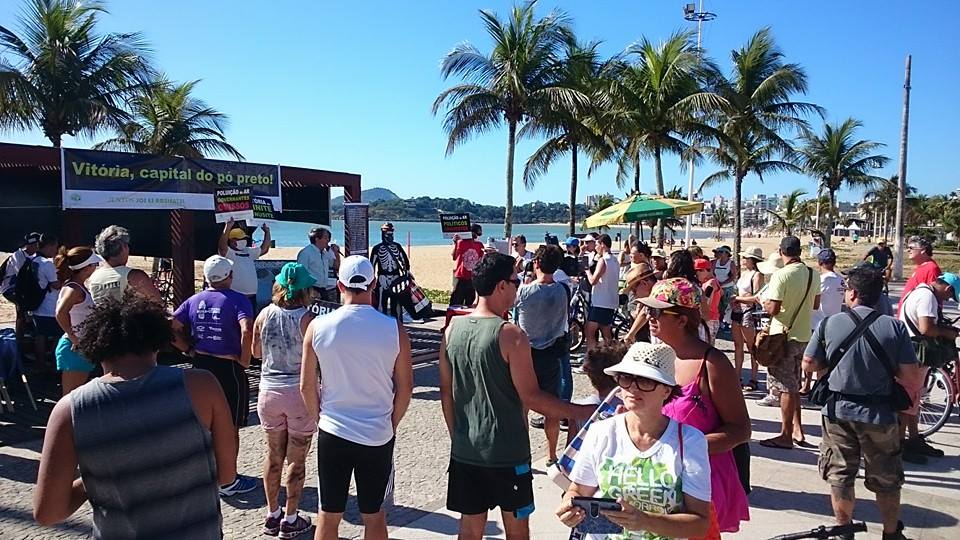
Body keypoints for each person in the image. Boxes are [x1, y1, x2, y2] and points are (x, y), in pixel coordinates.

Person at [33, 293, 235, 538]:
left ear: (96, 345)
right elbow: (226, 475)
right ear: (157, 340)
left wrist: (95, 479)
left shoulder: (71, 409)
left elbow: (48, 512)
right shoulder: (201, 386)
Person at [438, 252, 586, 540]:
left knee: (469, 530)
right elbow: (531, 397)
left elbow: (447, 393)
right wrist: (581, 411)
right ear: (500, 286)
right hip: (507, 452)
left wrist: (457, 436)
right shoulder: (511, 335)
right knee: (517, 532)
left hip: (466, 450)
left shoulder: (451, 329)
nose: (518, 287)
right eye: (515, 281)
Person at [803, 266, 922, 540]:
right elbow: (911, 376)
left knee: (841, 475)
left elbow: (809, 365)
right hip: (880, 414)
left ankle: (845, 530)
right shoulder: (894, 327)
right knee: (887, 479)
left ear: (854, 293)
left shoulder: (829, 324)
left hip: (837, 413)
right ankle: (891, 533)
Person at [300, 255, 413, 540]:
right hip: (377, 432)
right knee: (374, 515)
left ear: (339, 285)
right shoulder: (393, 329)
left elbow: (306, 385)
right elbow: (405, 387)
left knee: (329, 513)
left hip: (333, 430)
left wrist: (320, 420)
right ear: (374, 284)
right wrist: (391, 422)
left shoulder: (318, 327)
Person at [556, 341, 712, 539]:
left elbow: (699, 523)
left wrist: (646, 521)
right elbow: (578, 489)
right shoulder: (601, 432)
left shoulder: (690, 441)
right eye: (626, 378)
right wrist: (570, 506)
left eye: (646, 381)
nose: (633, 388)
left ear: (667, 390)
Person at [644, 278, 752, 533]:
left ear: (682, 320)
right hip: (658, 478)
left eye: (657, 311)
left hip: (699, 482)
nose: (649, 316)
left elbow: (740, 430)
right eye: (648, 310)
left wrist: (687, 446)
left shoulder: (713, 364)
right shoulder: (654, 357)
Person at [171, 255, 258, 497]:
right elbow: (247, 329)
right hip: (228, 368)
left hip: (200, 364)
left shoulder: (194, 300)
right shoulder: (238, 299)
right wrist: (245, 358)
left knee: (203, 421)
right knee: (231, 424)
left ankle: (207, 473)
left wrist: (186, 349)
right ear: (229, 276)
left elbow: (172, 326)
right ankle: (229, 479)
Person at [252, 263, 317, 537]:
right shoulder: (308, 319)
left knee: (273, 455)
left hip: (269, 391)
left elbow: (256, 352)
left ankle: (272, 512)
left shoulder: (264, 314)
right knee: (297, 459)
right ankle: (291, 518)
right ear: (305, 290)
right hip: (298, 393)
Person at [760, 236, 821, 449]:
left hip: (782, 337)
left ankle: (785, 435)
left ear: (781, 251)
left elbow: (773, 309)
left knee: (785, 387)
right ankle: (798, 430)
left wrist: (765, 303)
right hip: (804, 335)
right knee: (794, 385)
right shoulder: (814, 274)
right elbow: (815, 304)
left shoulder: (781, 275)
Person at [514, 245, 570, 467]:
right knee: (552, 409)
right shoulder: (563, 291)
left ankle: (523, 453)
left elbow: (514, 309)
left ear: (536, 263)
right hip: (552, 353)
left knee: (522, 406)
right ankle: (551, 454)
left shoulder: (524, 292)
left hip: (526, 354)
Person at [897, 273, 959, 464]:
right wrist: (947, 333)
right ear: (947, 289)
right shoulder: (927, 297)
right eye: (949, 296)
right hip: (914, 353)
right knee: (906, 401)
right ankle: (899, 446)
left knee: (914, 399)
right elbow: (926, 329)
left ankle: (914, 439)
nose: (947, 300)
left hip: (912, 351)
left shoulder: (922, 291)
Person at [52, 247, 101, 395]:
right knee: (71, 396)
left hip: (81, 347)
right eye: (94, 265)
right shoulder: (74, 289)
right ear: (86, 268)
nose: (96, 268)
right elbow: (60, 312)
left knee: (75, 395)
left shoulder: (78, 286)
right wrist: (74, 337)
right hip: (75, 348)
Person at [803, 249, 846, 394]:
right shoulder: (840, 280)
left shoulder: (822, 280)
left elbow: (813, 299)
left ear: (819, 262)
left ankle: (813, 388)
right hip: (834, 323)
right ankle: (814, 387)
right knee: (825, 360)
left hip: (817, 323)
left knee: (812, 358)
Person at [88, 225, 161, 304]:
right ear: (123, 247)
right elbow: (158, 304)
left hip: (100, 316)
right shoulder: (134, 276)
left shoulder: (93, 277)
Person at [218, 218, 272, 308]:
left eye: (244, 238)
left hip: (251, 297)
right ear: (232, 241)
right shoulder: (229, 253)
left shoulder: (249, 251)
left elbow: (264, 249)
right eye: (240, 239)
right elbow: (222, 247)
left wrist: (267, 232)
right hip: (235, 297)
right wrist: (228, 227)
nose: (243, 240)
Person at [1, 232, 40, 354]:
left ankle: (25, 338)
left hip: (21, 289)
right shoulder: (18, 256)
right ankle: (19, 341)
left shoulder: (31, 256)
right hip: (11, 289)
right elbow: (23, 276)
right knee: (22, 310)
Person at [732, 247, 764, 390]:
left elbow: (757, 297)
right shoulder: (745, 274)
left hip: (748, 311)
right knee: (738, 346)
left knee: (752, 347)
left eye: (746, 258)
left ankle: (754, 378)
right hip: (738, 310)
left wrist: (738, 298)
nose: (744, 260)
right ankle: (737, 376)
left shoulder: (757, 275)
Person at [30, 234, 62, 368]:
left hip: (37, 304)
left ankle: (40, 364)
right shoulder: (47, 263)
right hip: (49, 306)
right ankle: (55, 364)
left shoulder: (33, 260)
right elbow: (56, 285)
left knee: (40, 336)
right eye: (55, 247)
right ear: (49, 246)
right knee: (58, 336)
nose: (56, 250)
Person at [585, 234, 620, 351]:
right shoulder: (615, 260)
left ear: (602, 245)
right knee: (606, 331)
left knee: (589, 331)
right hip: (611, 301)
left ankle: (591, 358)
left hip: (600, 301)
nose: (595, 248)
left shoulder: (603, 260)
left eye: (597, 245)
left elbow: (593, 281)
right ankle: (610, 357)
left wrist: (587, 271)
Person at [369, 222, 411, 315]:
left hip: (395, 278)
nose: (388, 234)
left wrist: (406, 273)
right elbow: (372, 265)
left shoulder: (397, 247)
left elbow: (405, 262)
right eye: (387, 231)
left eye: (390, 231)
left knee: (396, 305)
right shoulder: (377, 248)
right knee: (381, 304)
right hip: (382, 278)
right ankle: (383, 325)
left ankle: (396, 324)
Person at [298, 226, 342, 304]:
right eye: (325, 238)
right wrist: (310, 290)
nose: (328, 240)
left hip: (324, 289)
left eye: (328, 238)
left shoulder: (325, 253)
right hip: (312, 290)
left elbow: (336, 266)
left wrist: (336, 252)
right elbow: (301, 274)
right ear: (317, 239)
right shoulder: (306, 253)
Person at [899, 236, 941, 313]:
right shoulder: (921, 266)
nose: (908, 250)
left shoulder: (931, 268)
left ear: (923, 250)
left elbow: (934, 299)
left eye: (911, 248)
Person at [450, 223, 485, 306]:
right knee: (456, 302)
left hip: (472, 278)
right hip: (461, 276)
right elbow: (454, 257)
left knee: (470, 303)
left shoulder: (479, 245)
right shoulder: (461, 242)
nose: (475, 236)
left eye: (477, 235)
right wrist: (455, 243)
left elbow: (481, 260)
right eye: (474, 234)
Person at [695, 258, 722, 343]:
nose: (696, 274)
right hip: (709, 318)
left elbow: (707, 301)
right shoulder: (711, 282)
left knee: (705, 347)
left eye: (698, 271)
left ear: (706, 270)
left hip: (709, 319)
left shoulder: (710, 284)